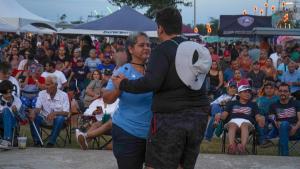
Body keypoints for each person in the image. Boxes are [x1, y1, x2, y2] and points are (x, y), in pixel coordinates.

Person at [112, 7, 211, 169]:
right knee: (183, 165)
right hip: (198, 117)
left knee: (156, 165)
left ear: (160, 28)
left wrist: (123, 84)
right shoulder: (196, 49)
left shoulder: (162, 50)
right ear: (179, 26)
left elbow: (151, 83)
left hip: (171, 119)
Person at [103, 32, 153, 169]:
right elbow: (106, 98)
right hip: (127, 133)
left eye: (148, 45)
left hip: (153, 135)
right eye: (141, 45)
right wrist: (120, 87)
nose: (146, 48)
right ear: (131, 49)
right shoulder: (122, 71)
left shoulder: (154, 71)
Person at [218, 85, 264, 155]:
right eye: (245, 92)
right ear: (239, 93)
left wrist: (260, 119)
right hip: (232, 121)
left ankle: (242, 147)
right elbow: (224, 115)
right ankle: (232, 147)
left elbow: (257, 116)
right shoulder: (232, 103)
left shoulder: (253, 104)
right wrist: (219, 115)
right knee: (232, 125)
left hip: (247, 122)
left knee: (244, 125)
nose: (247, 93)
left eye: (249, 92)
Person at [28, 76, 70, 148]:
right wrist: (33, 111)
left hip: (58, 121)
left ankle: (51, 142)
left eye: (48, 85)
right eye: (45, 84)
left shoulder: (63, 95)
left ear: (56, 85)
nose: (45, 86)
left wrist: (55, 113)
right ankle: (37, 141)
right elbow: (38, 108)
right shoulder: (42, 93)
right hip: (44, 119)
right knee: (33, 117)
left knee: (60, 118)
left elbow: (66, 112)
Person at [270, 83, 300, 156]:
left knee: (284, 124)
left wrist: (295, 128)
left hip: (296, 131)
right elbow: (273, 119)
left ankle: (284, 157)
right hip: (281, 129)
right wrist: (277, 124)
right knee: (284, 124)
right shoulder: (273, 105)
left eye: (285, 91)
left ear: (289, 93)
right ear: (278, 92)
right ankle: (285, 155)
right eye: (280, 91)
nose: (282, 93)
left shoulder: (296, 103)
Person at [0, 80, 24, 148]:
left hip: (13, 123)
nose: (9, 95)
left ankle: (7, 141)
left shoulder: (17, 101)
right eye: (6, 94)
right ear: (2, 93)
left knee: (6, 110)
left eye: (10, 92)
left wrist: (16, 112)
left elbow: (23, 119)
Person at [256, 81, 279, 147]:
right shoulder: (260, 99)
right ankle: (263, 141)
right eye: (267, 88)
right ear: (264, 90)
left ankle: (266, 140)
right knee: (261, 121)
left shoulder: (278, 98)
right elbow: (256, 110)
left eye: (271, 88)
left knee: (274, 121)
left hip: (275, 117)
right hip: (262, 117)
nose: (269, 90)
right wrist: (259, 117)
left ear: (274, 89)